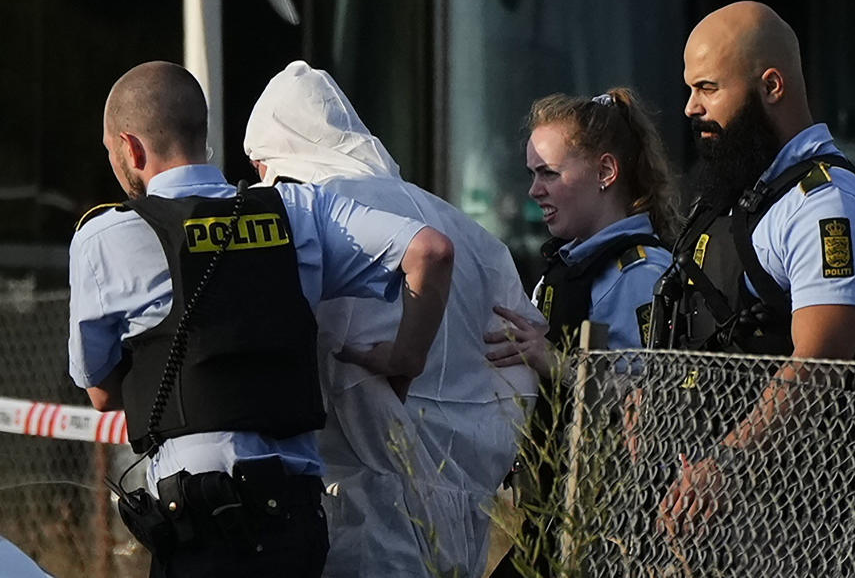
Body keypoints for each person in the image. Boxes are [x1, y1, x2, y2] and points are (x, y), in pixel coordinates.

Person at [67, 61, 454, 577]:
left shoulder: (105, 238)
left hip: (201, 524)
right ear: (201, 133)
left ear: (131, 149)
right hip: (295, 518)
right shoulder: (297, 209)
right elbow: (430, 251)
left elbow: (102, 393)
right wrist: (406, 357)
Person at [242, 61, 540, 578]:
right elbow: (516, 364)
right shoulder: (470, 232)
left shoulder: (319, 219)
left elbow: (316, 354)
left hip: (355, 513)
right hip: (464, 513)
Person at [652, 1, 855, 576]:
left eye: (707, 87)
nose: (691, 107)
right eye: (690, 89)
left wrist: (728, 462)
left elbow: (818, 367)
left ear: (771, 85)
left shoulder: (829, 207)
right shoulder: (738, 193)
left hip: (800, 528)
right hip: (712, 522)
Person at [485, 88, 680, 576]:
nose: (534, 190)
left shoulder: (640, 272)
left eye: (549, 172)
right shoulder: (564, 266)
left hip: (607, 526)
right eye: (533, 173)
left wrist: (555, 362)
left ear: (605, 173)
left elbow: (650, 396)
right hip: (550, 510)